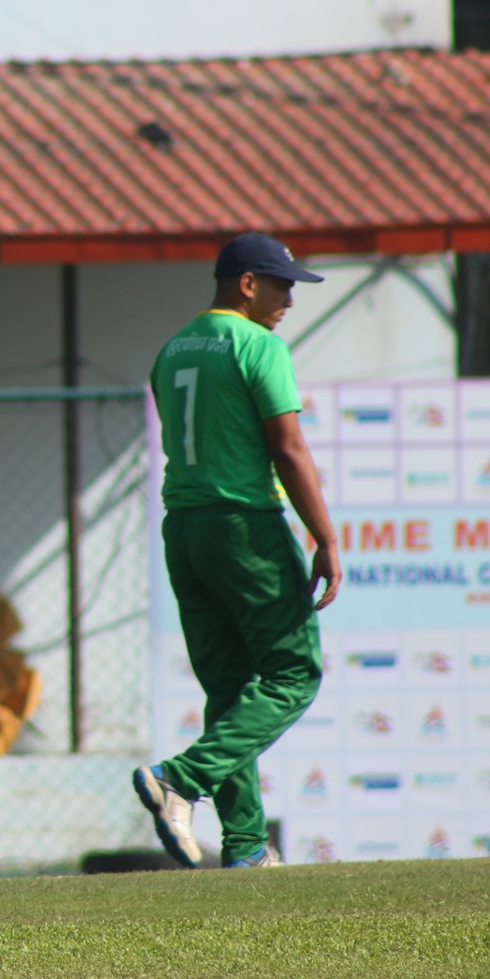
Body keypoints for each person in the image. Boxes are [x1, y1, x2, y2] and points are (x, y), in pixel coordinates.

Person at [136, 232, 341, 869]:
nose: (288, 300)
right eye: (281, 285)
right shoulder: (258, 345)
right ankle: (180, 778)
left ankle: (247, 847)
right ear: (247, 284)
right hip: (243, 526)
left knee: (227, 688)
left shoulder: (171, 350)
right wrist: (327, 538)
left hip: (185, 529)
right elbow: (287, 449)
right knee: (292, 673)